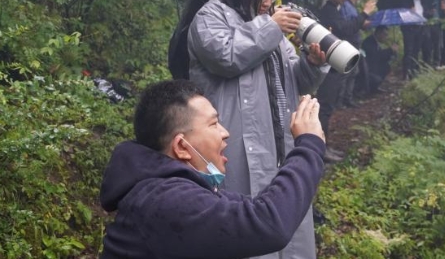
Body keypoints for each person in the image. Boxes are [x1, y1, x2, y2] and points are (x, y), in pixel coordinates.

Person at [187, 0, 329, 259]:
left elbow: (295, 80)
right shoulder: (209, 17)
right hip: (233, 146)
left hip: (280, 143)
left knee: (286, 218)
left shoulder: (267, 24)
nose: (269, 1)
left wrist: (313, 64)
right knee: (242, 226)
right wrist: (271, 26)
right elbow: (227, 57)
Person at [99, 80, 326, 259]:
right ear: (181, 146)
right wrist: (309, 145)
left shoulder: (169, 189)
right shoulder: (165, 200)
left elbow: (255, 211)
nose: (225, 132)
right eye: (213, 124)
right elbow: (268, 223)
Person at [316, 0, 370, 162]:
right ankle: (320, 149)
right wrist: (364, 13)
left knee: (328, 107)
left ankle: (325, 146)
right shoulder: (328, 11)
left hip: (334, 63)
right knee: (324, 107)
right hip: (327, 66)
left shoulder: (336, 9)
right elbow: (345, 29)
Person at [338, 0, 376, 108]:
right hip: (349, 43)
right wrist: (365, 13)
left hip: (355, 43)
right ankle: (340, 100)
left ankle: (348, 98)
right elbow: (350, 26)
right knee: (346, 72)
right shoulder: (346, 7)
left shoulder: (352, 7)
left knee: (354, 72)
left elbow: (357, 23)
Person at [361, 26, 397, 93]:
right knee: (376, 78)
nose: (386, 37)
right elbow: (376, 57)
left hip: (372, 67)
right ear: (379, 33)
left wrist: (392, 53)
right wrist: (390, 50)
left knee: (386, 67)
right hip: (366, 69)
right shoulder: (369, 42)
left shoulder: (376, 42)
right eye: (385, 35)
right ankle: (368, 88)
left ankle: (375, 87)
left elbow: (381, 58)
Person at [401, 0, 426, 80]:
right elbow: (402, 12)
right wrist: (409, 11)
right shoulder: (407, 0)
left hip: (420, 27)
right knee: (409, 50)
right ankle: (406, 72)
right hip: (409, 28)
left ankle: (414, 72)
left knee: (416, 50)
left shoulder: (422, 1)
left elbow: (423, 12)